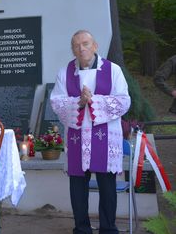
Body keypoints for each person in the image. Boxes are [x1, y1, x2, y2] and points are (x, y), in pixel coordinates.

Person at [50, 30, 131, 234]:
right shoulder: (65, 72)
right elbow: (57, 102)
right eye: (76, 45)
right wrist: (80, 101)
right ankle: (82, 228)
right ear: (73, 49)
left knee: (107, 186)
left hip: (105, 136)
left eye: (85, 43)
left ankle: (108, 228)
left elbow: (123, 101)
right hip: (77, 136)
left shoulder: (113, 70)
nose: (81, 48)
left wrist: (93, 100)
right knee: (77, 186)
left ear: (95, 46)